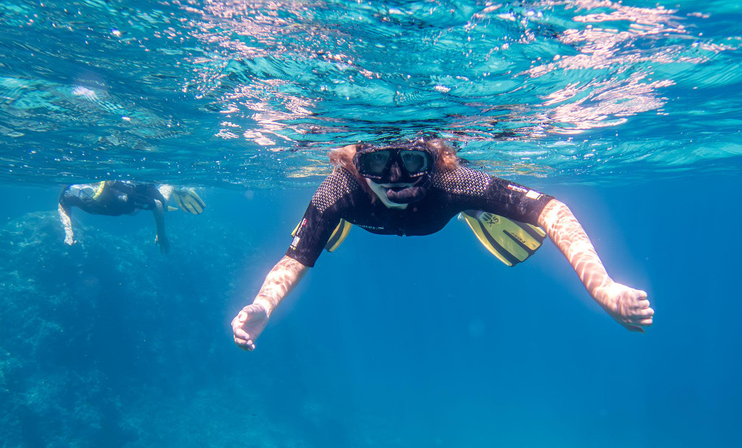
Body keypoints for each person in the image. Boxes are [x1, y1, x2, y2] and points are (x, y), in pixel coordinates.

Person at [230, 139, 654, 351]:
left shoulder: (452, 182)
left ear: (433, 161)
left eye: (413, 160)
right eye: (377, 161)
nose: (394, 176)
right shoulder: (337, 194)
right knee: (320, 225)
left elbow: (550, 210)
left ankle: (478, 211)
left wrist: (604, 288)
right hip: (350, 214)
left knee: (478, 199)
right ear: (355, 163)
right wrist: (262, 306)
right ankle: (331, 226)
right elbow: (295, 259)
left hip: (448, 207)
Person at [58, 181, 206, 254]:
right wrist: (68, 232)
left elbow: (157, 206)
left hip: (140, 191)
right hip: (122, 208)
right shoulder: (71, 193)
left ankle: (170, 185)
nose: (81, 196)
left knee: (161, 202)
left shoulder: (121, 197)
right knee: (132, 212)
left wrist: (161, 234)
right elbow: (63, 205)